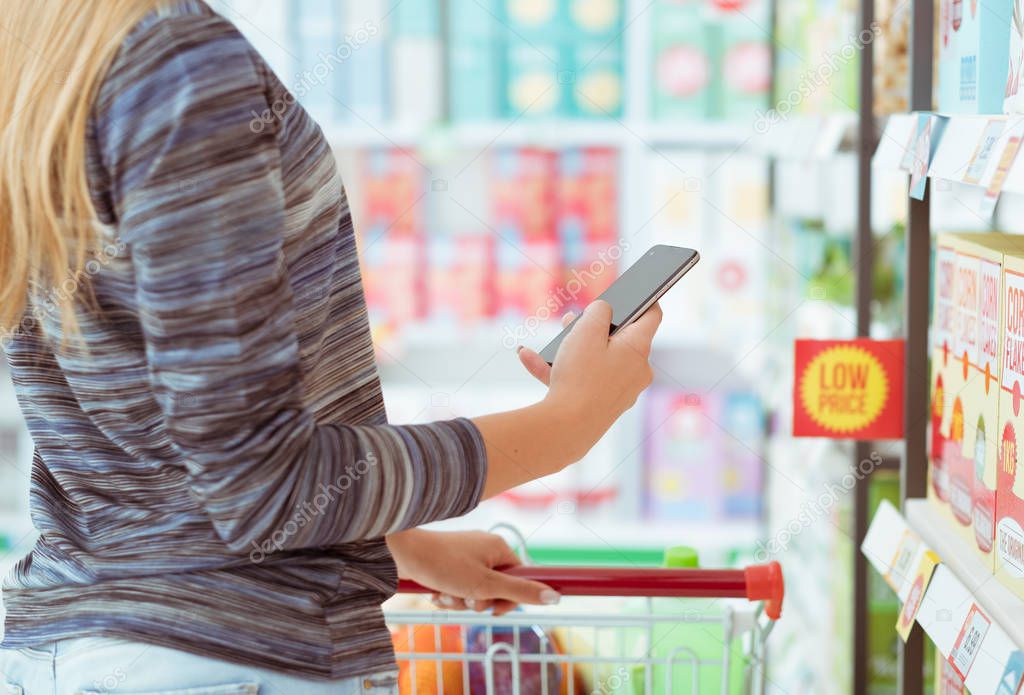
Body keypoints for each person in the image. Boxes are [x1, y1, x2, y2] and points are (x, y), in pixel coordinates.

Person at [0, 1, 662, 693]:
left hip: (77, 642)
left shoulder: (50, 58)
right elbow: (263, 485)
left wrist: (390, 539)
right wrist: (567, 424)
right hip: (228, 655)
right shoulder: (179, 62)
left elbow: (160, 426)